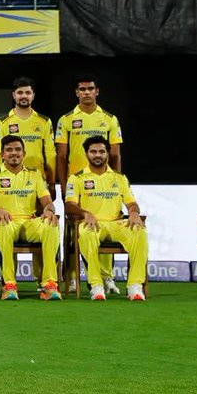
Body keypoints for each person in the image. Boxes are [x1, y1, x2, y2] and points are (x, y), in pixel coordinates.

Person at [55, 73, 123, 294]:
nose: (86, 92)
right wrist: (63, 184)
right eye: (82, 89)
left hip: (105, 184)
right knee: (72, 234)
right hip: (77, 184)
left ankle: (107, 277)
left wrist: (117, 184)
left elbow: (115, 154)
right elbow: (61, 156)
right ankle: (72, 276)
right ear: (76, 93)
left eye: (90, 89)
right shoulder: (66, 120)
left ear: (97, 91)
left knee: (104, 226)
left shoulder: (109, 119)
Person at [64, 136, 148, 301]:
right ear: (86, 154)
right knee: (86, 233)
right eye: (93, 151)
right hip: (92, 224)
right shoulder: (77, 178)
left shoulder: (119, 178)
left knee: (140, 231)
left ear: (108, 154)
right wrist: (85, 213)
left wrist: (133, 212)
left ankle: (135, 286)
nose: (97, 155)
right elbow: (69, 205)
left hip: (116, 224)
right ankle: (96, 285)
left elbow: (131, 203)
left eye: (101, 151)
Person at [0, 135, 62, 301]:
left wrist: (48, 210)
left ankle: (49, 284)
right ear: (2, 154)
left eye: (17, 150)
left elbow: (48, 202)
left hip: (30, 222)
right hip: (8, 222)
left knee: (50, 224)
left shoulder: (35, 174)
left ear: (24, 153)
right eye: (9, 150)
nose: (13, 153)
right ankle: (9, 284)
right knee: (1, 225)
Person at [0, 77, 56, 196]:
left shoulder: (45, 122)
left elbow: (50, 154)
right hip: (9, 182)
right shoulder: (2, 123)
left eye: (28, 92)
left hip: (37, 181)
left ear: (33, 95)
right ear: (13, 95)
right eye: (20, 92)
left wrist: (51, 183)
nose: (24, 96)